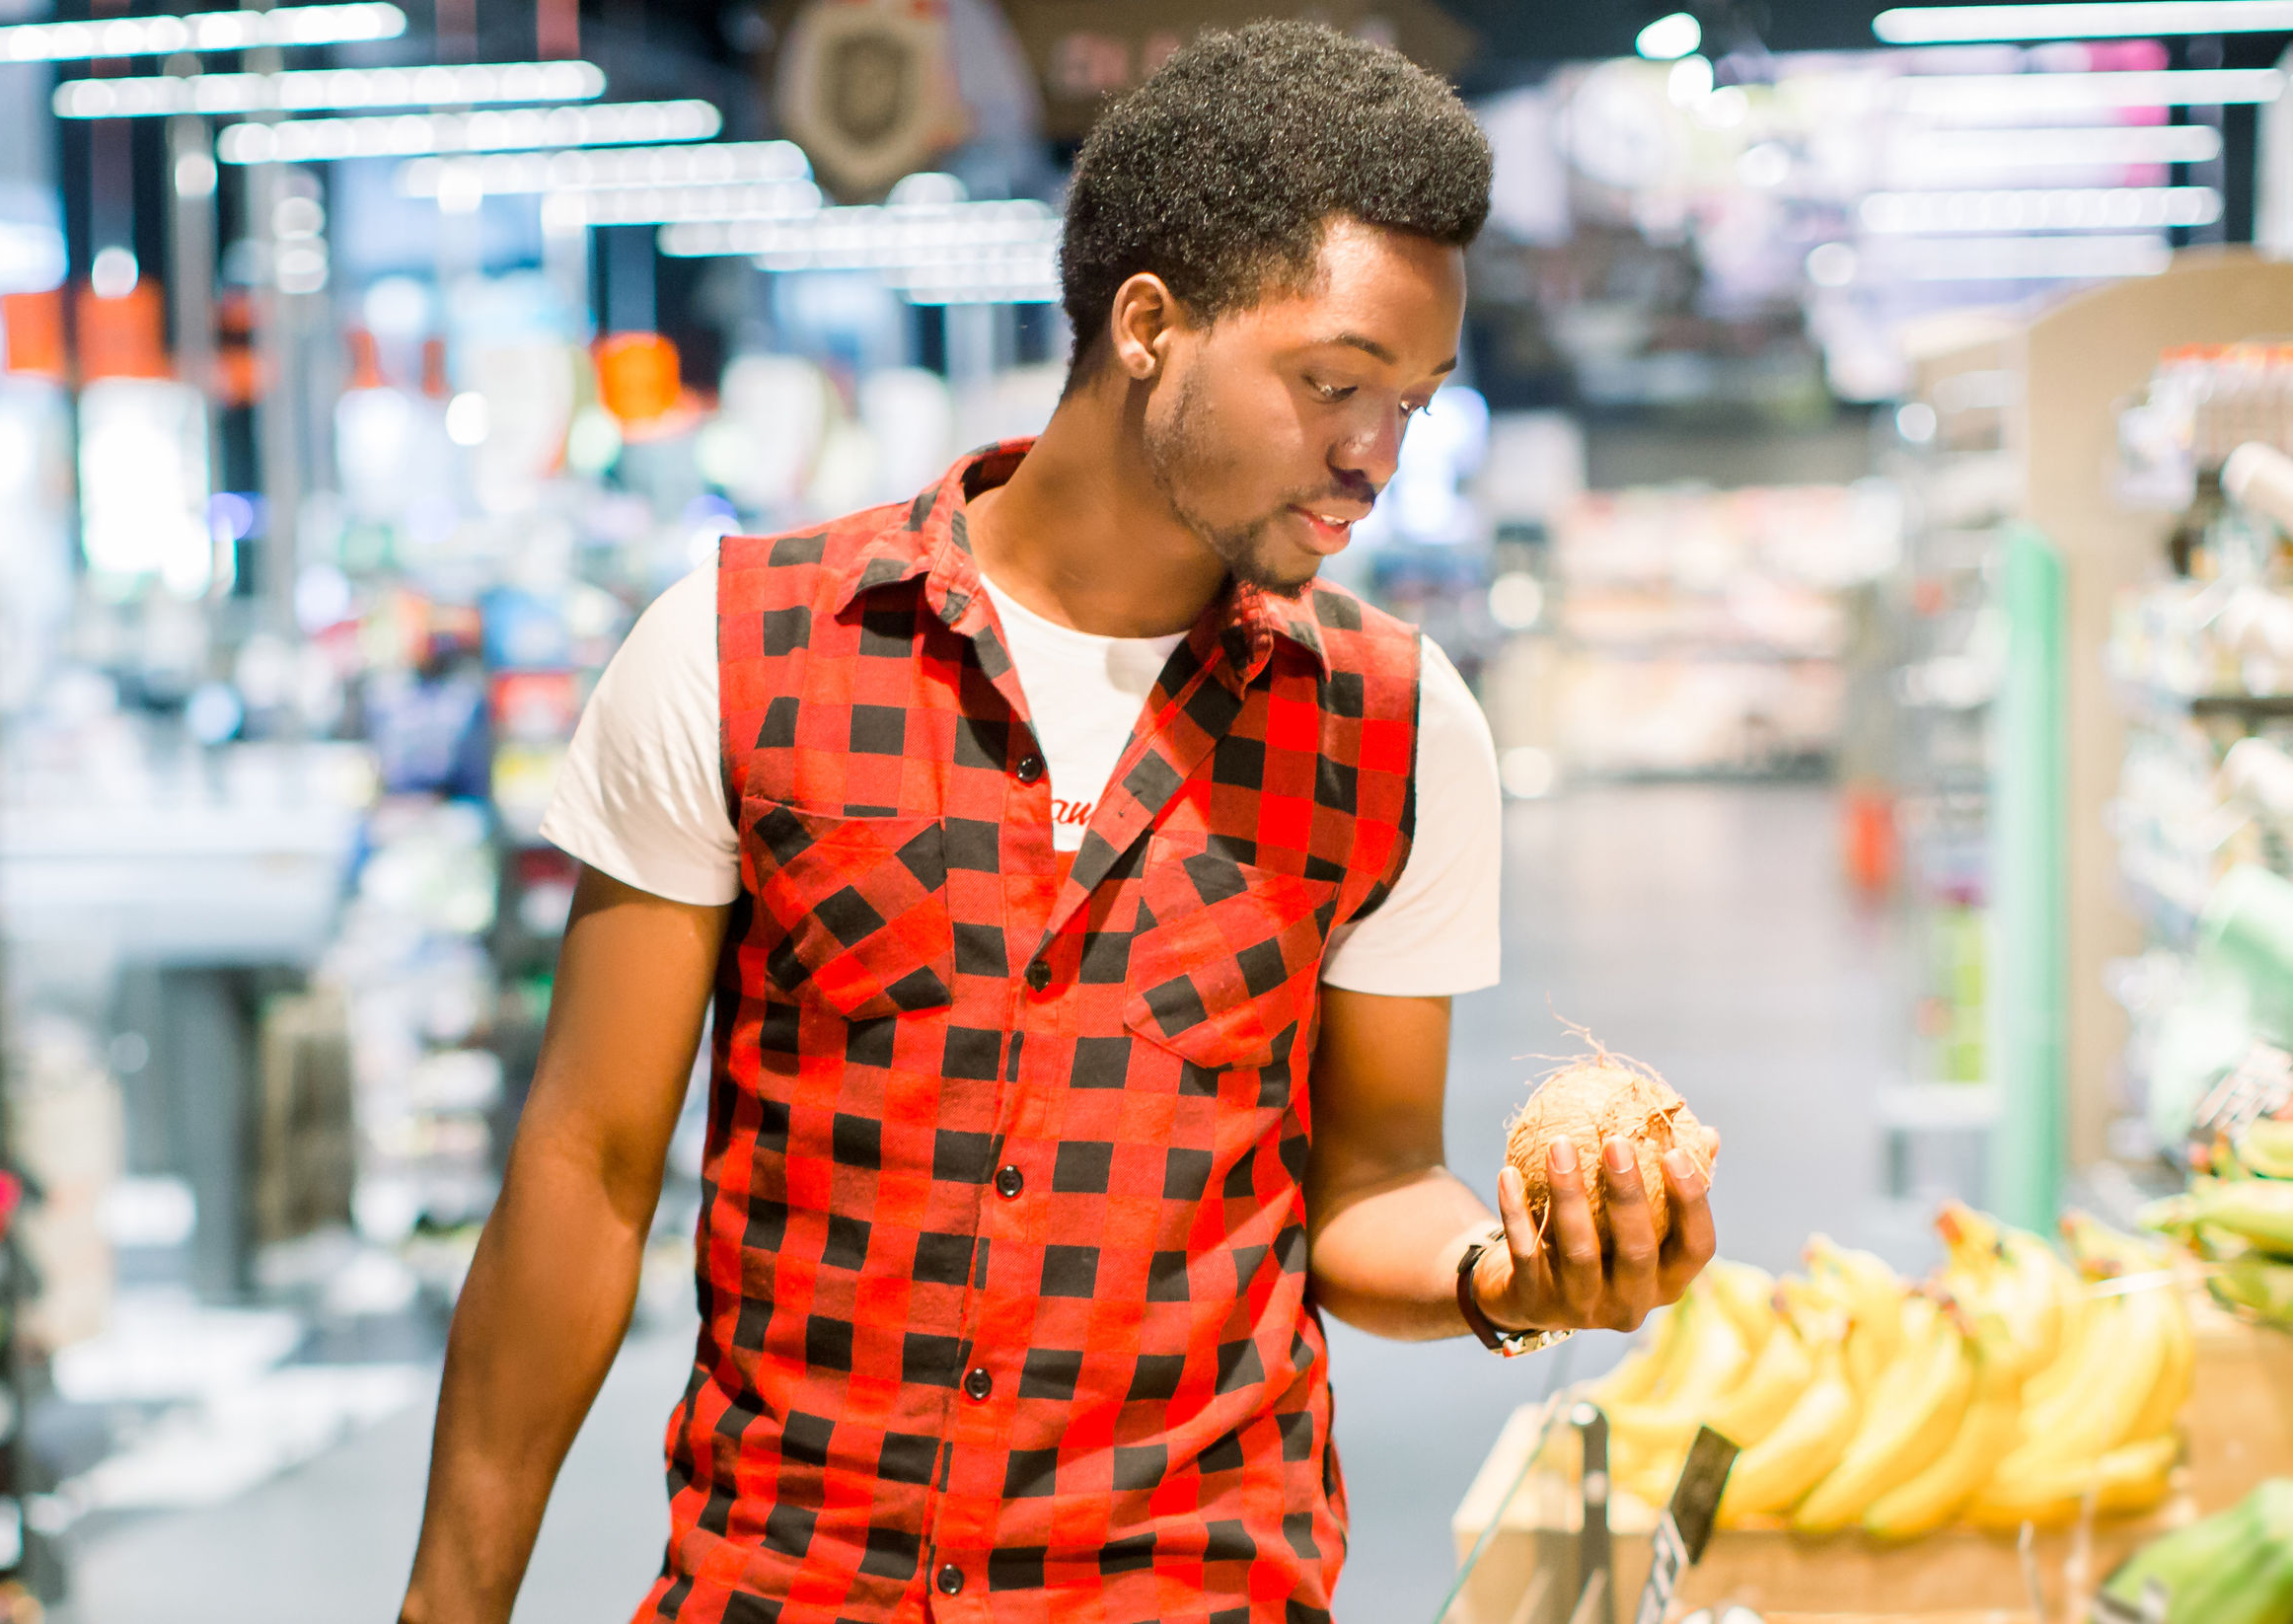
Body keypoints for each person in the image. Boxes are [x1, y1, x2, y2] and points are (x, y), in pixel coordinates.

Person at [402, 23, 1717, 1620]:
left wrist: (1506, 1279)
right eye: (1333, 383)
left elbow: (1367, 1181)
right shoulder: (745, 650)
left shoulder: (1392, 723)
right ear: (1149, 324)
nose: (1375, 456)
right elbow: (583, 1174)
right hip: (793, 1582)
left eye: (1414, 403)